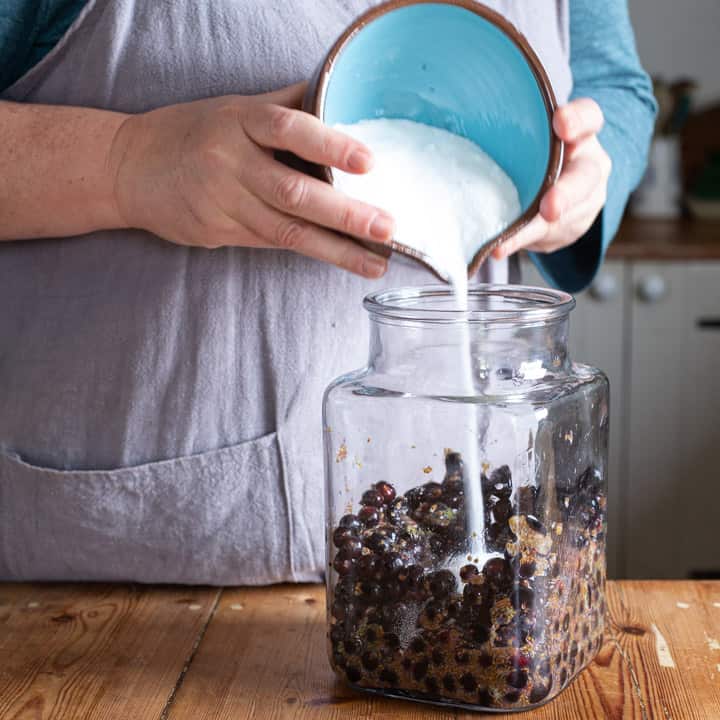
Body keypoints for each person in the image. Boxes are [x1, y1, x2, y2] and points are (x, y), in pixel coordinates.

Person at [0, 1, 655, 583]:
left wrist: (592, 174)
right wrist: (124, 160)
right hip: (105, 599)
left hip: (452, 561)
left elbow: (612, 87)